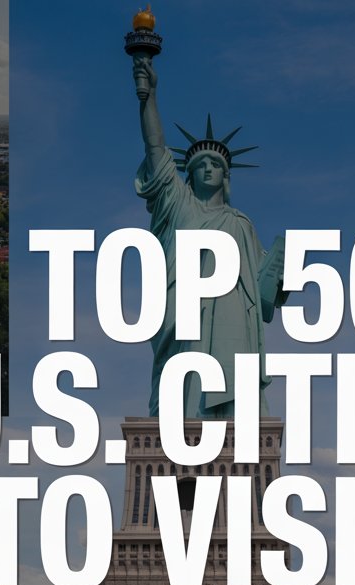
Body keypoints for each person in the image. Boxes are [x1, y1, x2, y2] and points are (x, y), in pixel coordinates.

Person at [132, 52, 287, 419]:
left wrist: (286, 269)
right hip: (185, 307)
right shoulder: (177, 204)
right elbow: (155, 150)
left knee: (232, 372)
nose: (207, 170)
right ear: (188, 174)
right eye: (200, 165)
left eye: (215, 165)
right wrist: (149, 97)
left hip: (234, 312)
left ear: (226, 176)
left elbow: (266, 296)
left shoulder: (241, 223)